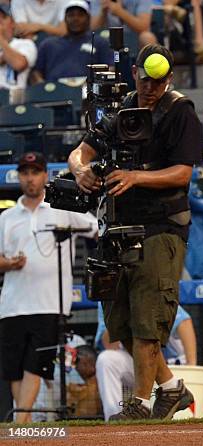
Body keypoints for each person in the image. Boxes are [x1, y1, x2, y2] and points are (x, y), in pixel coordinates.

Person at [68, 44, 203, 420]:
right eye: (146, 81)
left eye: (158, 83)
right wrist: (80, 170)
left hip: (161, 226)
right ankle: (173, 389)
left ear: (169, 79)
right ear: (135, 75)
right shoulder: (121, 108)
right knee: (123, 324)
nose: (151, 89)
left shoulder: (180, 111)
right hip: (117, 226)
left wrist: (135, 176)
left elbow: (183, 173)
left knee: (148, 321)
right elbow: (81, 152)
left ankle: (140, 405)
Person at [0, 152, 97, 424]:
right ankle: (25, 426)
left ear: (45, 175)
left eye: (35, 172)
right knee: (15, 369)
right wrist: (8, 263)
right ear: (19, 176)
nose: (30, 178)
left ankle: (20, 423)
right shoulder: (6, 217)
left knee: (36, 365)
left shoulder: (62, 207)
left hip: (50, 303)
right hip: (12, 305)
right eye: (25, 173)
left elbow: (95, 228)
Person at [95, 304, 197, 421]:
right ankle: (115, 416)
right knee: (106, 359)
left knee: (145, 334)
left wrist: (192, 364)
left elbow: (184, 322)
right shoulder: (107, 295)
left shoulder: (144, 291)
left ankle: (150, 399)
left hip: (169, 363)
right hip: (135, 363)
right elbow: (110, 344)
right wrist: (118, 317)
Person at [30, 0, 113, 84]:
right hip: (55, 93)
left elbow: (111, 68)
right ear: (65, 19)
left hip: (89, 91)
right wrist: (41, 85)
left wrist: (100, 84)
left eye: (80, 15)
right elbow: (36, 72)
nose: (75, 19)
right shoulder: (48, 44)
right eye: (71, 15)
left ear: (88, 18)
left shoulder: (99, 42)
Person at [90, 0, 156, 58]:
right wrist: (103, 12)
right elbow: (93, 28)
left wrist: (119, 12)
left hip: (135, 38)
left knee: (147, 37)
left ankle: (150, 69)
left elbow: (143, 26)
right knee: (92, 38)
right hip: (108, 37)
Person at [0, 4, 37, 91]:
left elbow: (19, 64)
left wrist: (1, 38)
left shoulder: (25, 44)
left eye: (4, 17)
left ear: (13, 23)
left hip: (11, 97)